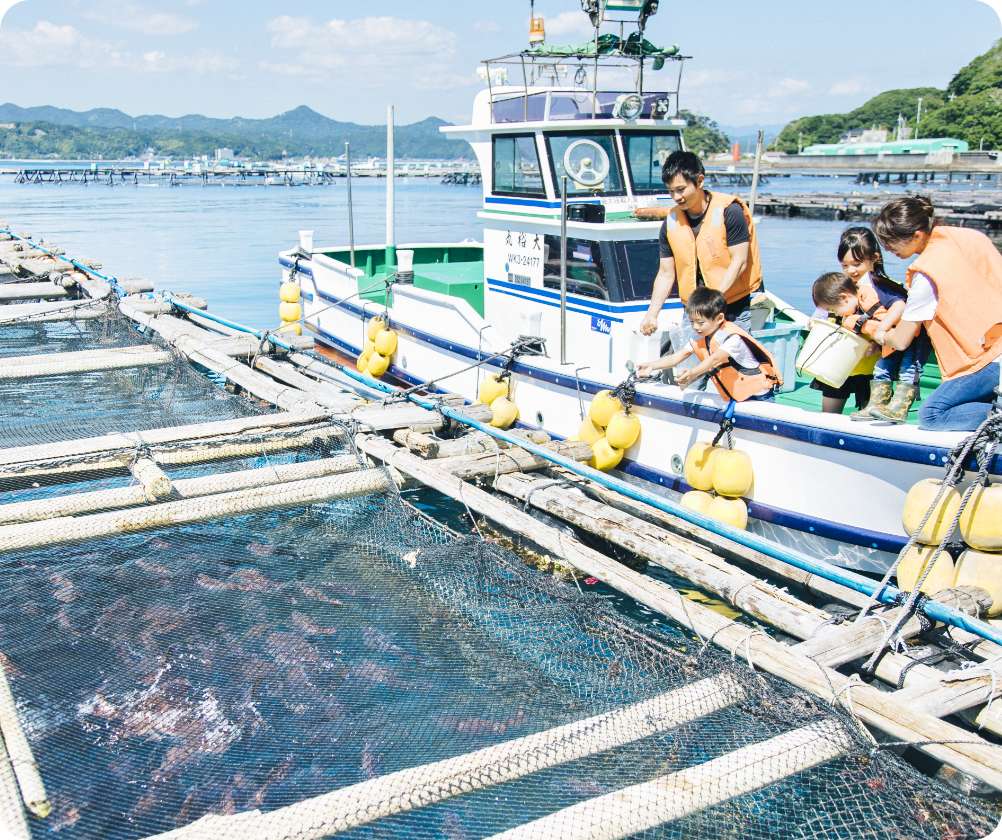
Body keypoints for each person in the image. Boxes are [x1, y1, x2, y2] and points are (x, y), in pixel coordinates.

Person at [876, 196, 1002, 432]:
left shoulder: (926, 273)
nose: (888, 249)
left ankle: (997, 416)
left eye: (891, 242)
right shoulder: (971, 236)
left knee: (932, 415)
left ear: (917, 235)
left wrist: (882, 334)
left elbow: (902, 339)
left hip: (989, 360)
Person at [636, 151, 763, 336]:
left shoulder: (730, 212)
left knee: (730, 362)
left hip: (735, 307)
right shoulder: (671, 223)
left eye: (681, 189)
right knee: (693, 362)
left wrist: (712, 301)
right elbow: (665, 273)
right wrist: (652, 314)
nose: (676, 197)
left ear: (700, 181)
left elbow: (740, 261)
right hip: (695, 312)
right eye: (671, 191)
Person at [816, 228, 926, 422]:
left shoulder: (884, 288)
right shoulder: (841, 288)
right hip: (839, 362)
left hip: (869, 367)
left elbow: (897, 319)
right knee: (828, 417)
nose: (851, 270)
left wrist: (879, 339)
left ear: (874, 258)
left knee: (869, 417)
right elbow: (824, 313)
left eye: (856, 264)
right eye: (845, 266)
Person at [637, 287, 781, 402]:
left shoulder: (732, 338)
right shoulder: (700, 337)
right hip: (739, 396)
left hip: (760, 396)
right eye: (692, 322)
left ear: (719, 318)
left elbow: (714, 360)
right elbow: (676, 357)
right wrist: (652, 365)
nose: (695, 327)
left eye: (701, 323)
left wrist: (692, 374)